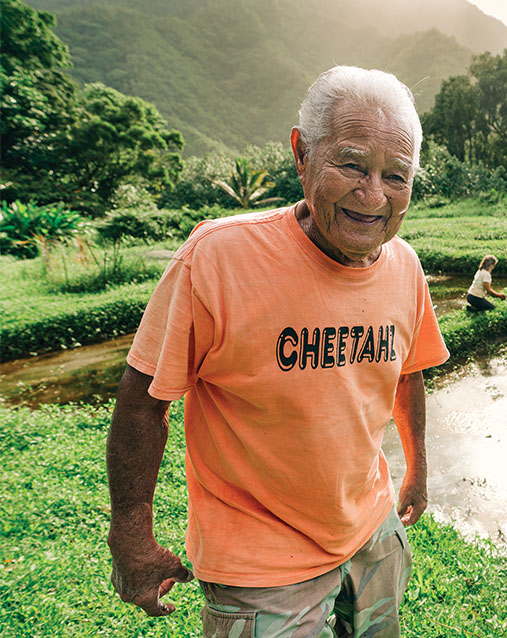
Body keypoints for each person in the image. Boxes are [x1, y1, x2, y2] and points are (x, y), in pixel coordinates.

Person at [106, 66, 449, 638]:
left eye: (397, 175)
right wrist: (130, 534)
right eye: (352, 165)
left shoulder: (405, 266)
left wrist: (416, 470)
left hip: (371, 526)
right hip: (259, 559)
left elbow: (407, 373)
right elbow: (143, 402)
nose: (373, 196)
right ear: (302, 154)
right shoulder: (218, 258)